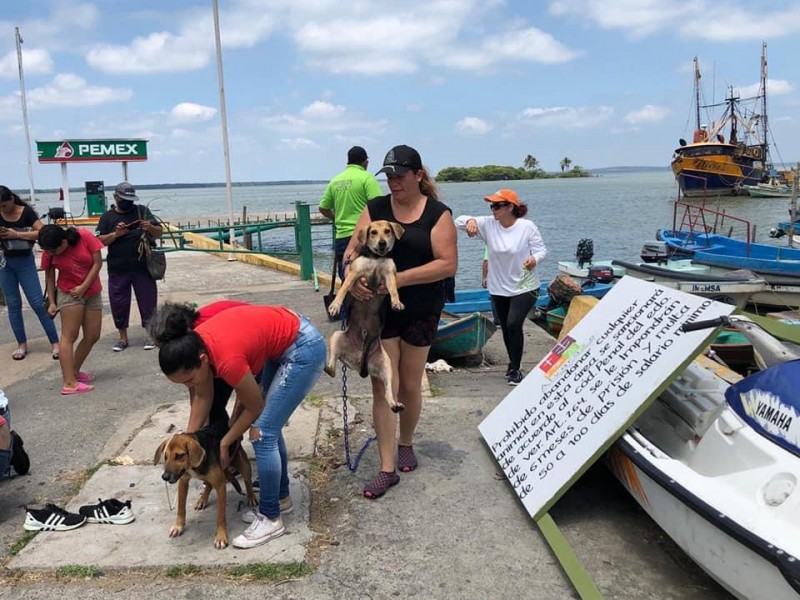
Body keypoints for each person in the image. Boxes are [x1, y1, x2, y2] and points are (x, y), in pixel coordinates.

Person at [151, 302, 326, 549]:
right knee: (269, 427)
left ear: (202, 361)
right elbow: (202, 396)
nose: (190, 385)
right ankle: (280, 497)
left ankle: (270, 518)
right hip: (284, 339)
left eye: (190, 379)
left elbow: (255, 407)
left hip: (303, 346)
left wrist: (225, 441)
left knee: (262, 432)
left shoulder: (225, 360)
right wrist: (189, 438)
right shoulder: (196, 346)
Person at [341, 144, 457, 500]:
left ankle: (405, 441)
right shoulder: (375, 209)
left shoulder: (437, 214)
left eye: (400, 176)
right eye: (388, 176)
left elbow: (447, 264)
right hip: (380, 313)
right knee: (383, 385)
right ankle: (386, 468)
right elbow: (352, 249)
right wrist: (353, 274)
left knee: (409, 383)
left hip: (422, 308)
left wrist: (400, 279)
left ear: (418, 176)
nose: (393, 183)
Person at [455, 188, 547, 386]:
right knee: (506, 328)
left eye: (497, 205)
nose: (493, 209)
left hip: (525, 285)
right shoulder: (489, 224)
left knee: (514, 324)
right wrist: (470, 220)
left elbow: (541, 250)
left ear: (510, 207)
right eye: (491, 205)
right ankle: (512, 363)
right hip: (498, 287)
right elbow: (458, 221)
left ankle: (515, 368)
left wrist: (534, 259)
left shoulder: (526, 227)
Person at [147, 299, 249, 430]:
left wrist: (235, 427)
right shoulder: (188, 340)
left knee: (259, 423)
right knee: (209, 410)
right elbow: (196, 391)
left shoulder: (204, 338)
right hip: (232, 350)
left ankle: (226, 445)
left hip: (255, 348)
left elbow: (245, 394)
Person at [95, 182, 162, 352]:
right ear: (116, 197)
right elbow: (99, 241)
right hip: (118, 268)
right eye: (124, 199)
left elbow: (159, 232)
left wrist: (150, 227)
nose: (127, 202)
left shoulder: (141, 211)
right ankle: (122, 338)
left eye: (130, 199)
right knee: (119, 303)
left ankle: (150, 335)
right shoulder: (107, 217)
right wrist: (116, 234)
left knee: (148, 302)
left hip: (143, 267)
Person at [38, 225, 104, 395]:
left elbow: (97, 263)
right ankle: (69, 383)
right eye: (48, 251)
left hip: (91, 290)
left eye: (54, 250)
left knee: (92, 335)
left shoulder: (84, 236)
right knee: (69, 336)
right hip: (68, 292)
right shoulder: (49, 251)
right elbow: (50, 276)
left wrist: (84, 286)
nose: (52, 254)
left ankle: (73, 371)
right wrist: (52, 302)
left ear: (64, 241)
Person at [0, 186, 60, 360]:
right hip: (4, 262)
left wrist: (16, 234)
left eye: (4, 205)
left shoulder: (26, 213)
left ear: (12, 199)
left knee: (36, 302)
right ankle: (21, 344)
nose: (2, 209)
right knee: (13, 304)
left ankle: (55, 342)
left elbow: (42, 232)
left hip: (24, 260)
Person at [319, 146, 382, 280]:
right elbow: (378, 205)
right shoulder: (367, 178)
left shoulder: (335, 181)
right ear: (366, 162)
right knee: (368, 282)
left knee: (347, 279)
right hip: (363, 237)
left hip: (341, 237)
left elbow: (323, 208)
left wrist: (335, 218)